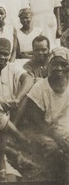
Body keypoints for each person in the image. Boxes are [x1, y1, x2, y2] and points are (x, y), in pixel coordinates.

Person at [24, 51, 69, 183]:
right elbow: (36, 120)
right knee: (55, 149)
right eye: (55, 64)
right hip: (46, 131)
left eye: (64, 64)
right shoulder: (40, 87)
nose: (59, 68)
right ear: (49, 65)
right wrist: (57, 136)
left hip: (66, 130)